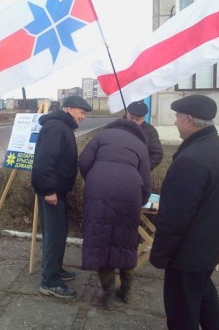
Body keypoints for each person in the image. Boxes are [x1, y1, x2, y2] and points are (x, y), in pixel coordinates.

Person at [149, 95, 219, 330]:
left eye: (177, 117)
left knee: (182, 315)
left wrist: (160, 254)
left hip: (186, 256)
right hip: (207, 249)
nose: (175, 122)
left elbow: (175, 217)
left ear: (189, 119)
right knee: (205, 302)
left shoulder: (191, 159)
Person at [78, 118, 152, 309]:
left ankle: (107, 293)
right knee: (126, 241)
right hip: (129, 193)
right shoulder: (140, 145)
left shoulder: (101, 136)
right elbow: (145, 178)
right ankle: (126, 290)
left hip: (98, 191)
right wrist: (140, 201)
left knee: (102, 240)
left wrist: (94, 179)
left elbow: (84, 161)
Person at [31, 95, 92, 299]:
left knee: (56, 234)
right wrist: (49, 191)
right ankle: (50, 281)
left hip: (57, 191)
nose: (83, 117)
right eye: (81, 112)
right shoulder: (56, 128)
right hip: (52, 192)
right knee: (55, 235)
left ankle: (55, 268)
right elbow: (44, 162)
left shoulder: (61, 127)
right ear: (68, 109)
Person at [125, 101, 163, 170]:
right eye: (131, 118)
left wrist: (143, 169)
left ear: (143, 118)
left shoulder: (150, 131)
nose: (133, 121)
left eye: (137, 119)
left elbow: (157, 154)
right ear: (127, 113)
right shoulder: (116, 127)